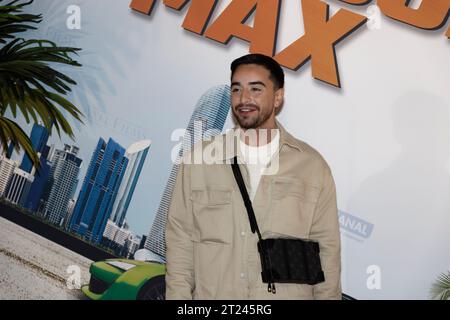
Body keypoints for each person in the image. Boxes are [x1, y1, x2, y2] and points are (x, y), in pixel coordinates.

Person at [165, 53, 341, 299]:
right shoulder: (199, 161)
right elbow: (180, 242)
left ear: (278, 97)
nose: (244, 99)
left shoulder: (312, 168)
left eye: (256, 89)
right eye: (236, 89)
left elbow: (327, 254)